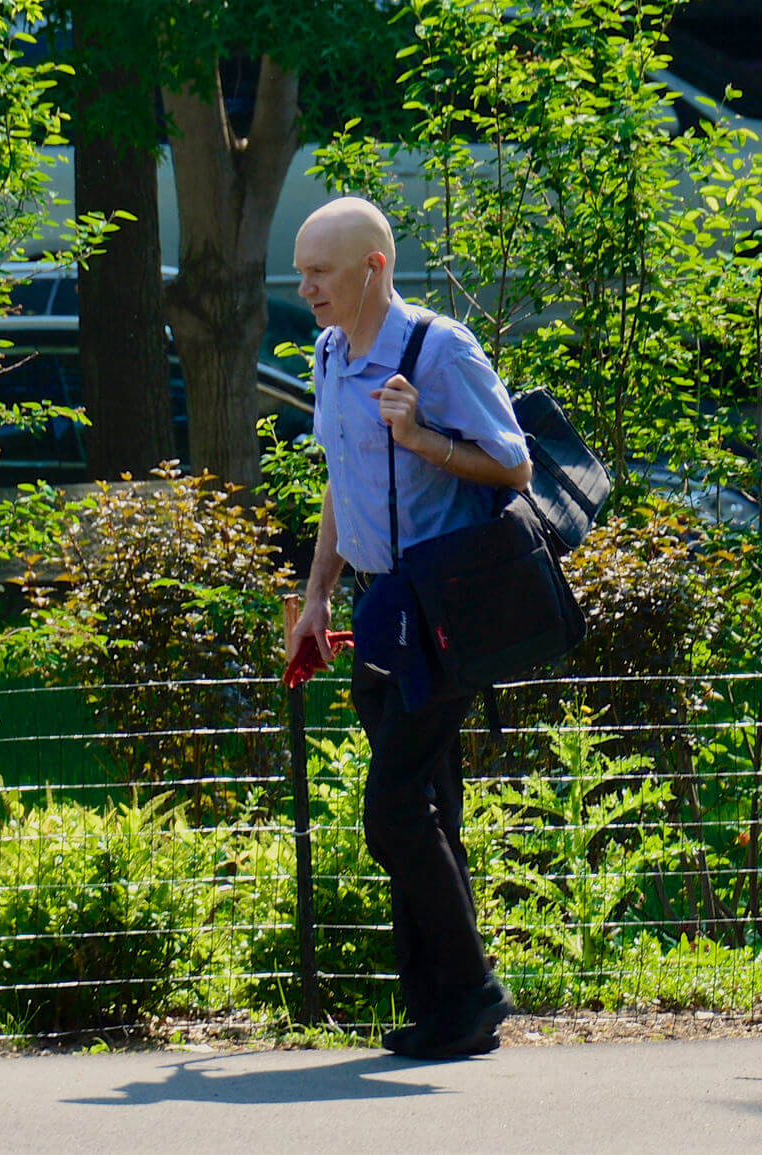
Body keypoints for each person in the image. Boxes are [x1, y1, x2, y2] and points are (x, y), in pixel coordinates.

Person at [285, 196, 532, 1059]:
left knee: (392, 811)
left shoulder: (441, 349)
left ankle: (473, 990)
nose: (304, 283)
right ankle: (441, 1010)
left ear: (372, 268)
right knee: (430, 809)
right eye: (302, 267)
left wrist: (423, 436)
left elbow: (514, 461)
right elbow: (340, 484)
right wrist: (317, 597)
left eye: (319, 269)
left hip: (443, 611)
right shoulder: (327, 352)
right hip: (376, 610)